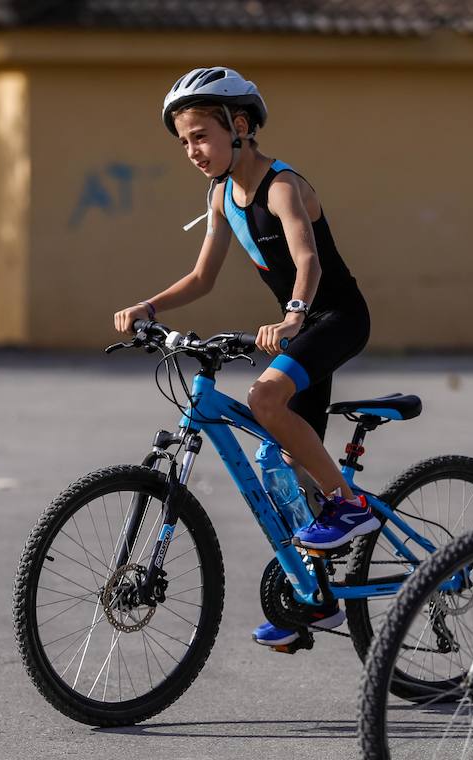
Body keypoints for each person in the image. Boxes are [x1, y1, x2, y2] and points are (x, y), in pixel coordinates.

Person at [113, 67, 376, 650]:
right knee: (278, 461)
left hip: (334, 319)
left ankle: (349, 504)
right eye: (183, 141)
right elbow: (203, 277)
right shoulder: (220, 195)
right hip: (301, 326)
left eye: (201, 135)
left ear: (239, 126)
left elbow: (306, 260)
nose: (192, 150)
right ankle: (313, 597)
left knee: (264, 398)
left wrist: (292, 315)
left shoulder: (283, 186)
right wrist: (149, 306)